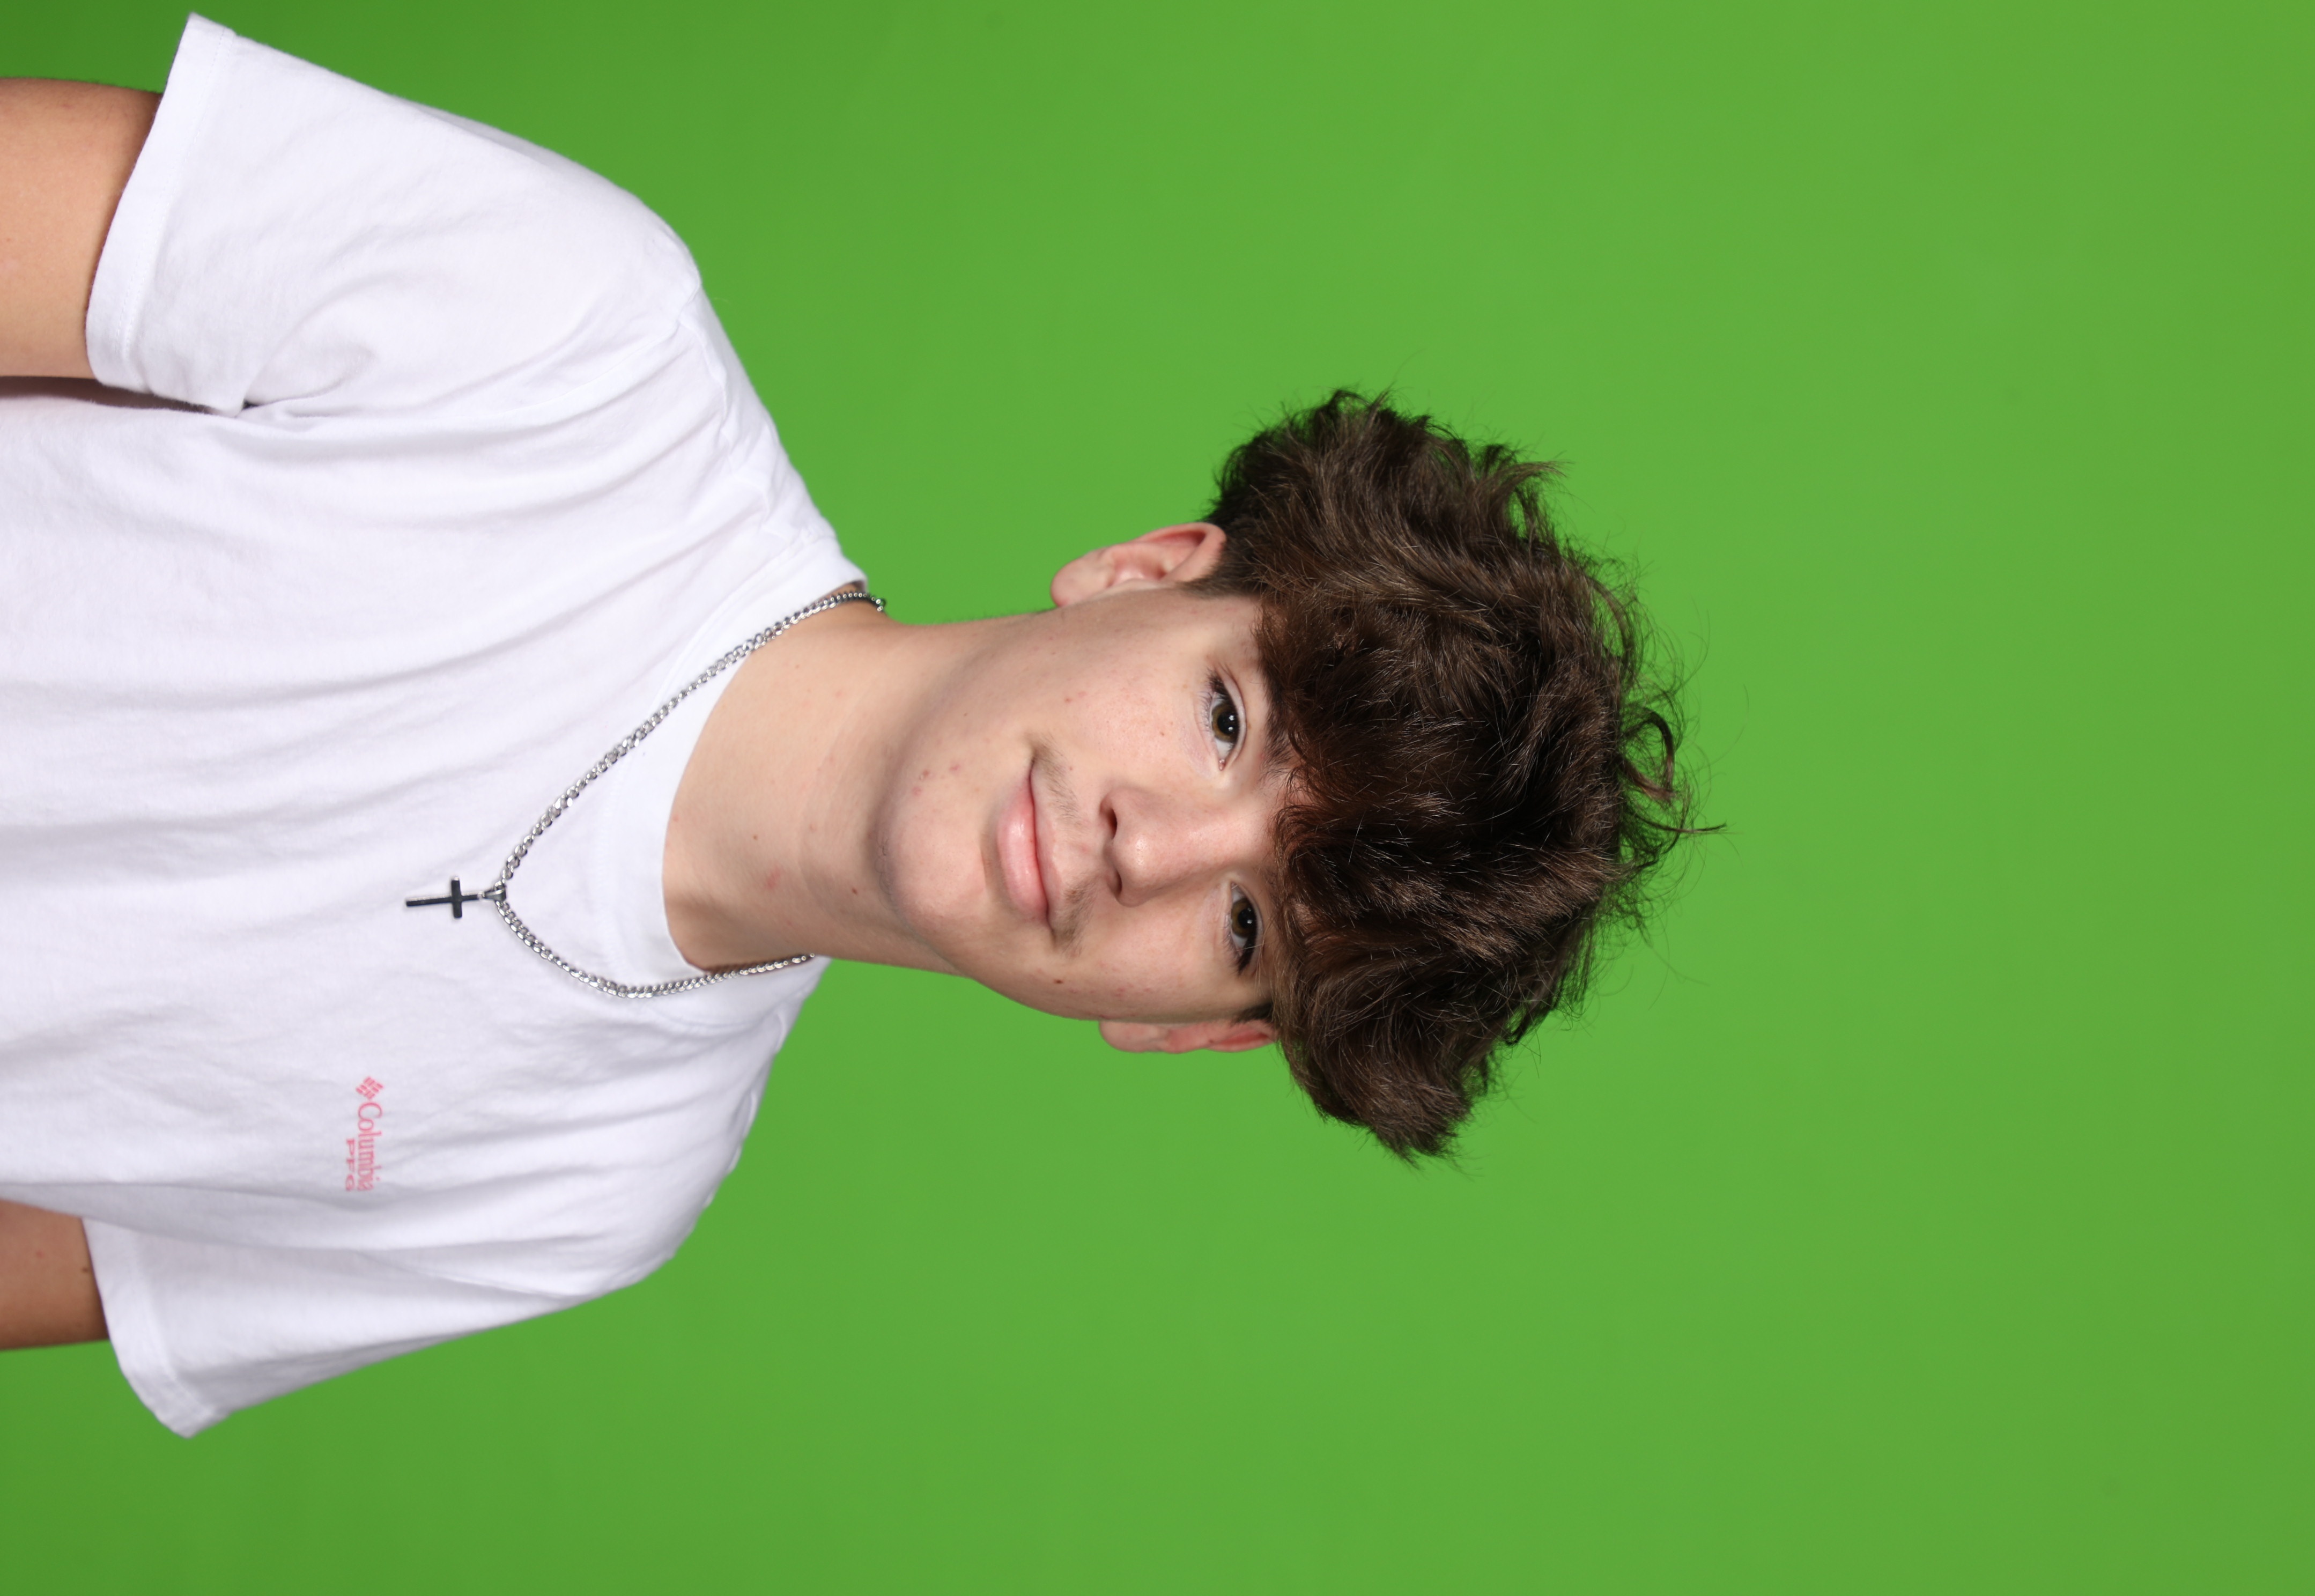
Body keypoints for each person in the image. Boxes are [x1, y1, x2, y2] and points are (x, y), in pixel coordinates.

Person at [0, 17, 1695, 1434]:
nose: (1156, 849)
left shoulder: (595, 1196)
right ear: (1144, 571)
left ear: (1191, 1031)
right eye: (1225, 719)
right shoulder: (571, 342)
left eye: (1249, 924)